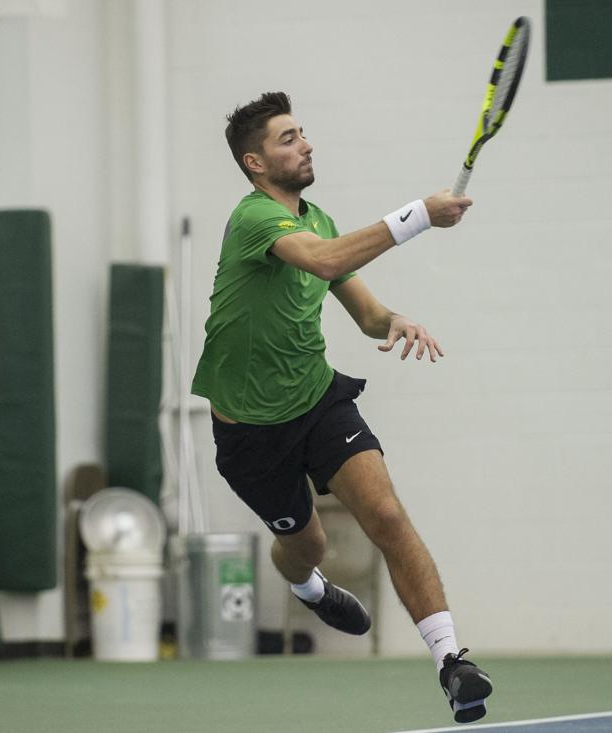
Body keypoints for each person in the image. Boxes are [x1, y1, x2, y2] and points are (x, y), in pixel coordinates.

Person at [191, 92, 492, 724]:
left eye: (302, 132)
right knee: (308, 546)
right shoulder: (254, 220)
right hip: (249, 434)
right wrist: (417, 216)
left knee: (385, 513)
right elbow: (323, 260)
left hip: (316, 399)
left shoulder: (320, 219)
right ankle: (308, 588)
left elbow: (363, 312)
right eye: (286, 138)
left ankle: (451, 662)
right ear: (254, 162)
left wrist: (395, 319)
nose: (304, 144)